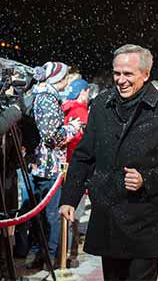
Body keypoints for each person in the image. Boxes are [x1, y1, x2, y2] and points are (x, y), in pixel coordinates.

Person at [59, 44, 158, 281]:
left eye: (128, 74)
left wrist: (147, 179)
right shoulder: (101, 104)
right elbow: (84, 155)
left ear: (146, 74)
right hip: (107, 213)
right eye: (117, 73)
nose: (121, 80)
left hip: (143, 218)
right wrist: (70, 198)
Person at [25, 61, 81, 269]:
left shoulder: (40, 95)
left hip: (40, 166)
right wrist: (72, 128)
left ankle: (42, 255)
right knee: (51, 216)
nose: (67, 81)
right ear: (56, 79)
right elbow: (52, 137)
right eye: (65, 77)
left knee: (41, 216)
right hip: (49, 167)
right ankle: (52, 258)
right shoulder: (47, 98)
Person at [61, 78, 90, 267]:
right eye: (87, 92)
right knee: (74, 213)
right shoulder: (81, 112)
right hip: (76, 167)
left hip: (65, 165)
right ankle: (70, 254)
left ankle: (63, 251)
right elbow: (85, 144)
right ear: (82, 93)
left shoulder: (65, 108)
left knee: (65, 210)